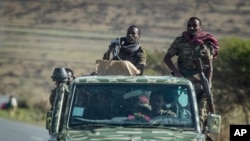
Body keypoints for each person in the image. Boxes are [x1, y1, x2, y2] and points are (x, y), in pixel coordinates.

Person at [163, 17, 219, 141]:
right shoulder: (180, 41)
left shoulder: (206, 43)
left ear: (200, 27)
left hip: (201, 85)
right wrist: (176, 73)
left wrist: (208, 85)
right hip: (183, 86)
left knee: (200, 118)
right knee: (181, 117)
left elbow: (209, 67)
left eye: (194, 25)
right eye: (189, 25)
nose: (191, 28)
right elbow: (167, 58)